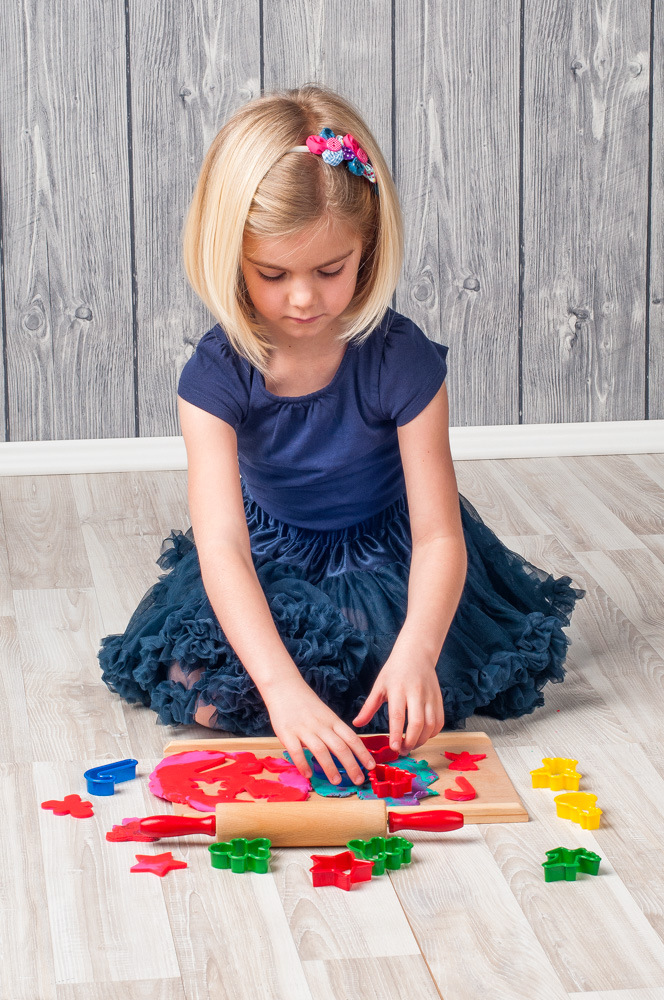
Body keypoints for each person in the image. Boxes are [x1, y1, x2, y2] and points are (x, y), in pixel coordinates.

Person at [98, 84, 584, 787]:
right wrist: (280, 688)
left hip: (390, 554)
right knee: (211, 690)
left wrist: (419, 649)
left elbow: (439, 536)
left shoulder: (400, 359)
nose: (303, 298)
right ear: (231, 257)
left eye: (330, 270)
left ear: (368, 249)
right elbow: (223, 545)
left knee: (393, 692)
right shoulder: (216, 374)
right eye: (273, 274)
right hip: (268, 557)